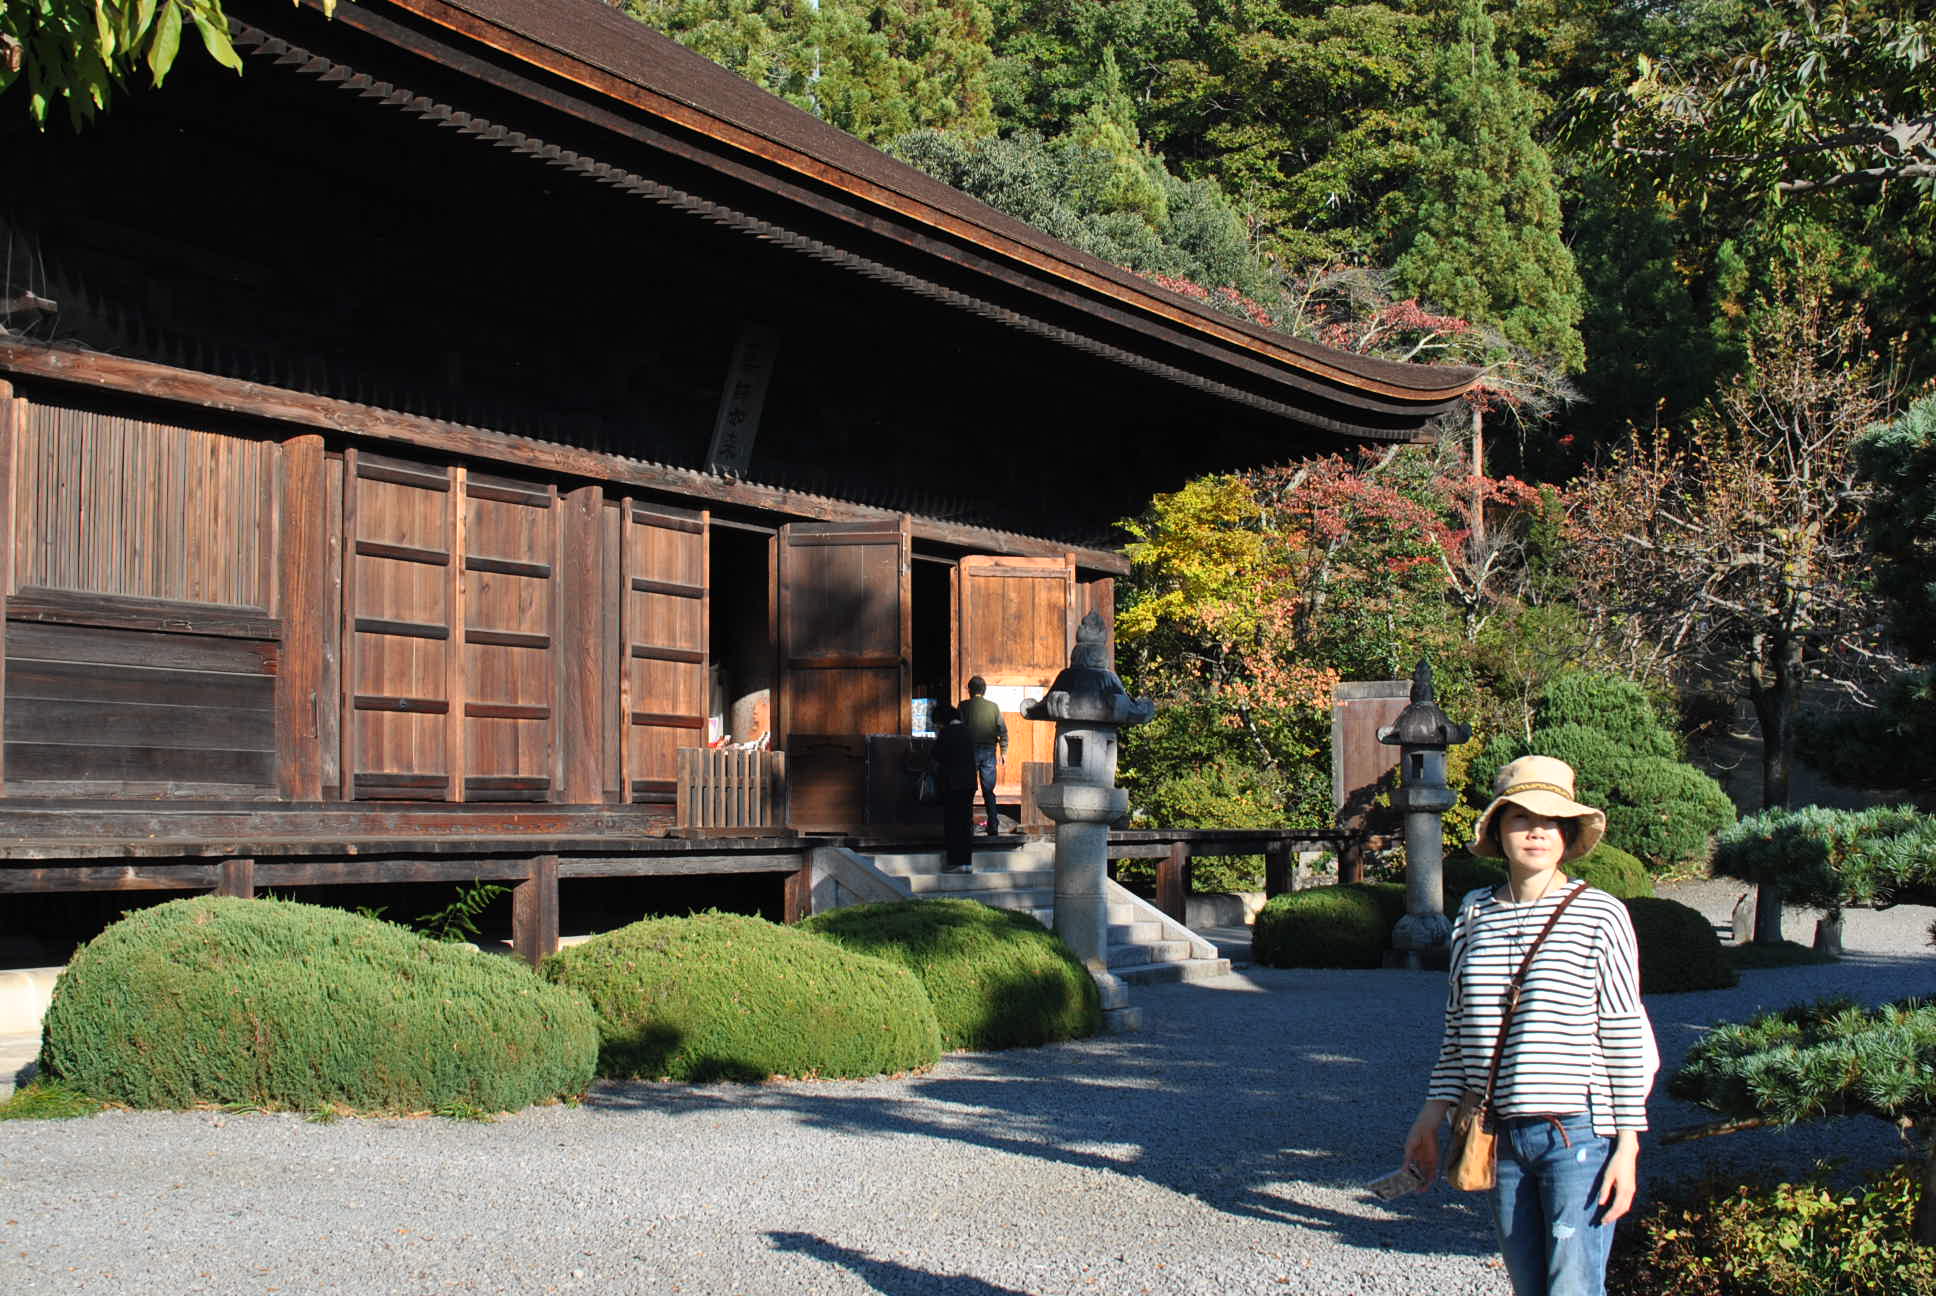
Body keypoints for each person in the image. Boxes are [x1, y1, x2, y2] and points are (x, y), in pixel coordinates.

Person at [1400, 755, 1659, 1296]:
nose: (1536, 830)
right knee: (1528, 1284)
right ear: (1497, 829)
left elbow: (1624, 1033)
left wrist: (1628, 1147)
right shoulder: (1473, 914)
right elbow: (1458, 1027)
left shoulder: (1601, 915)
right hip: (1498, 1128)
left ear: (1567, 833)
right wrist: (1431, 1115)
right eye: (1520, 817)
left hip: (1578, 1131)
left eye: (1551, 819)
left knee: (1573, 1287)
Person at [929, 702, 976, 873]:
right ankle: (967, 862)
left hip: (952, 783)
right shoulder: (967, 731)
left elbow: (936, 756)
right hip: (969, 783)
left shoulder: (947, 732)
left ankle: (955, 861)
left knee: (953, 824)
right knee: (965, 823)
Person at [959, 675, 1008, 835]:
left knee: (967, 789)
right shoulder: (993, 707)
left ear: (970, 690)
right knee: (988, 791)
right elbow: (1002, 730)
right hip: (988, 751)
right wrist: (1004, 751)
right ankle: (993, 826)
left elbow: (958, 728)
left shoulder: (963, 706)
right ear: (984, 690)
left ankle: (966, 827)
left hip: (968, 752)